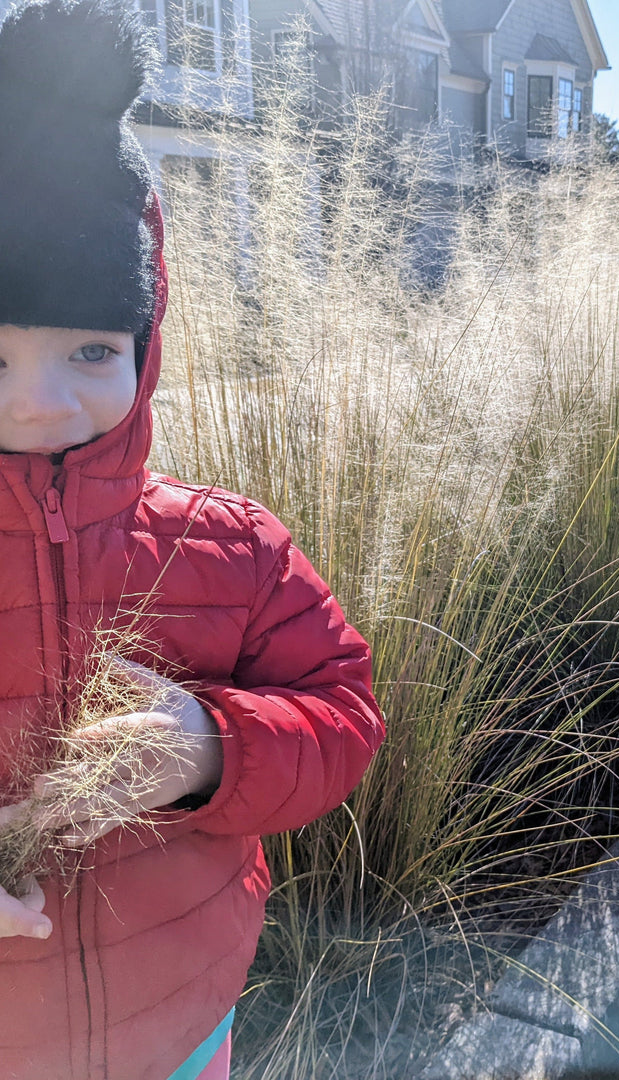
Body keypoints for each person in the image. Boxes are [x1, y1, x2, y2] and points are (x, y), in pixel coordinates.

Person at [0, 1, 386, 1077]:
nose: (38, 401)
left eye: (88, 349)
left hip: (185, 1029)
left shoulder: (232, 545)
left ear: (145, 338)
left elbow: (345, 714)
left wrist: (214, 746)